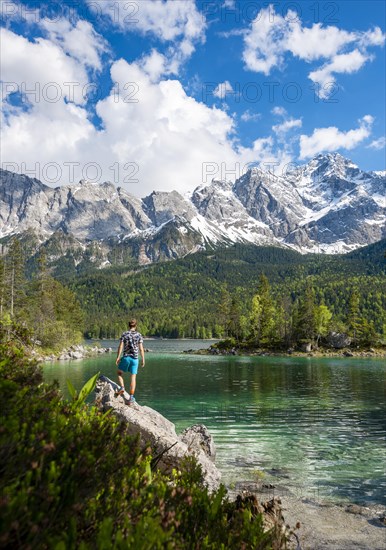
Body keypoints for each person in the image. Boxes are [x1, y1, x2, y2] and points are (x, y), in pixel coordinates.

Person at [115, 319, 145, 403]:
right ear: (136, 326)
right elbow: (141, 349)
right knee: (133, 377)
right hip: (135, 359)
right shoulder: (139, 335)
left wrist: (118, 357)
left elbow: (120, 346)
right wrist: (143, 359)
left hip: (126, 358)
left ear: (129, 325)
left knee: (119, 373)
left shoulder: (124, 334)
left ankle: (122, 387)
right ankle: (131, 398)